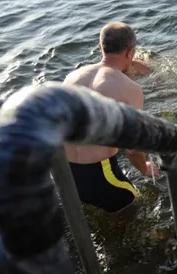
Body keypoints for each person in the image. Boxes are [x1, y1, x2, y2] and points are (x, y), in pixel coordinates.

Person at [63, 21, 160, 214]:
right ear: (130, 52)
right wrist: (144, 168)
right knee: (136, 208)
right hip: (99, 174)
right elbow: (132, 149)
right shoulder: (130, 89)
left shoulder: (72, 77)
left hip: (63, 171)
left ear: (101, 47)